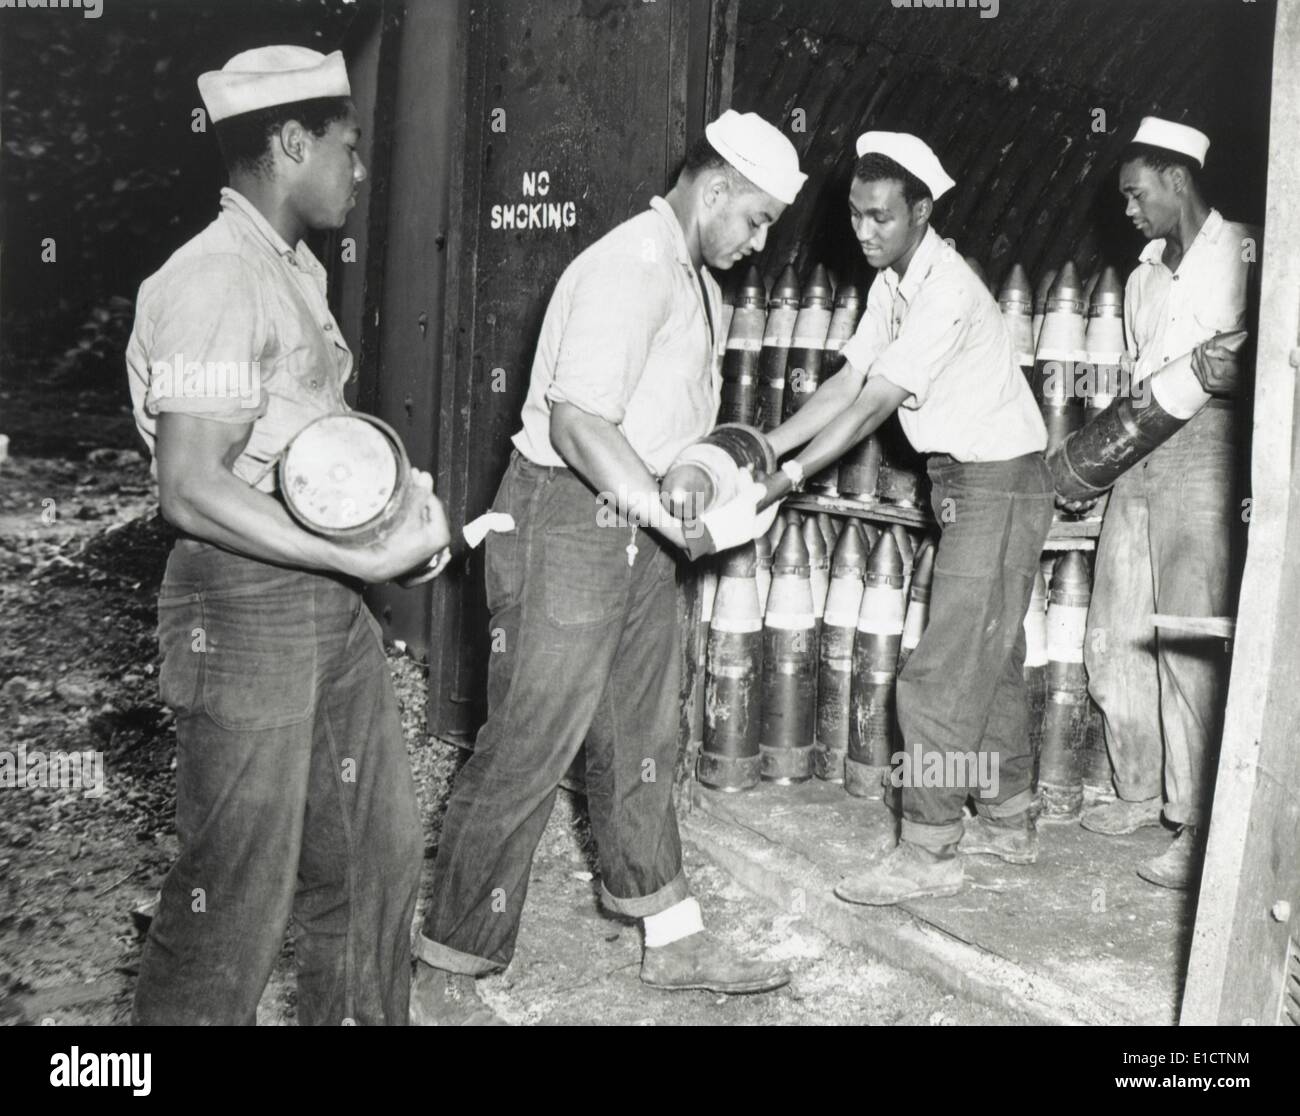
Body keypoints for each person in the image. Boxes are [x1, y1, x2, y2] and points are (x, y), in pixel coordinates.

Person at [409, 110, 800, 1025]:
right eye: (757, 218)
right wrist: (672, 519)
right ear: (715, 190)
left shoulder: (692, 276)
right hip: (568, 518)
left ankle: (669, 932)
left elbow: (661, 420)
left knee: (639, 733)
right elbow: (581, 422)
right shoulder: (630, 264)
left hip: (632, 522)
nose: (761, 240)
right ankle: (448, 967)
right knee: (529, 743)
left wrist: (698, 488)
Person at [127, 46, 452, 1025]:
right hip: (239, 604)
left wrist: (396, 511)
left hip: (317, 601)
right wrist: (359, 555)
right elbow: (191, 487)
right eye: (348, 149)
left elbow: (303, 451)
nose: (358, 170)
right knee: (233, 898)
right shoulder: (218, 277)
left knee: (370, 855)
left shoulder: (289, 270)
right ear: (292, 142)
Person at [765, 132, 1053, 905]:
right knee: (986, 665)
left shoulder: (945, 291)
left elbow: (875, 406)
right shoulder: (894, 285)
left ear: (923, 211)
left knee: (936, 675)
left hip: (1001, 483)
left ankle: (928, 851)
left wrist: (791, 475)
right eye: (857, 215)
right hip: (966, 482)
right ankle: (1012, 816)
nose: (864, 232)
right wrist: (764, 445)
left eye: (881, 218)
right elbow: (847, 380)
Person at [1078, 117, 1257, 890]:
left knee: (1187, 630)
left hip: (1207, 446)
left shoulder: (1244, 249)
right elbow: (1133, 372)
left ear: (1177, 180)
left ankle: (1195, 822)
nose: (1127, 209)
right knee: (1115, 629)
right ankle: (1139, 789)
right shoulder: (1144, 275)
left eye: (1136, 192)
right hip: (1138, 440)